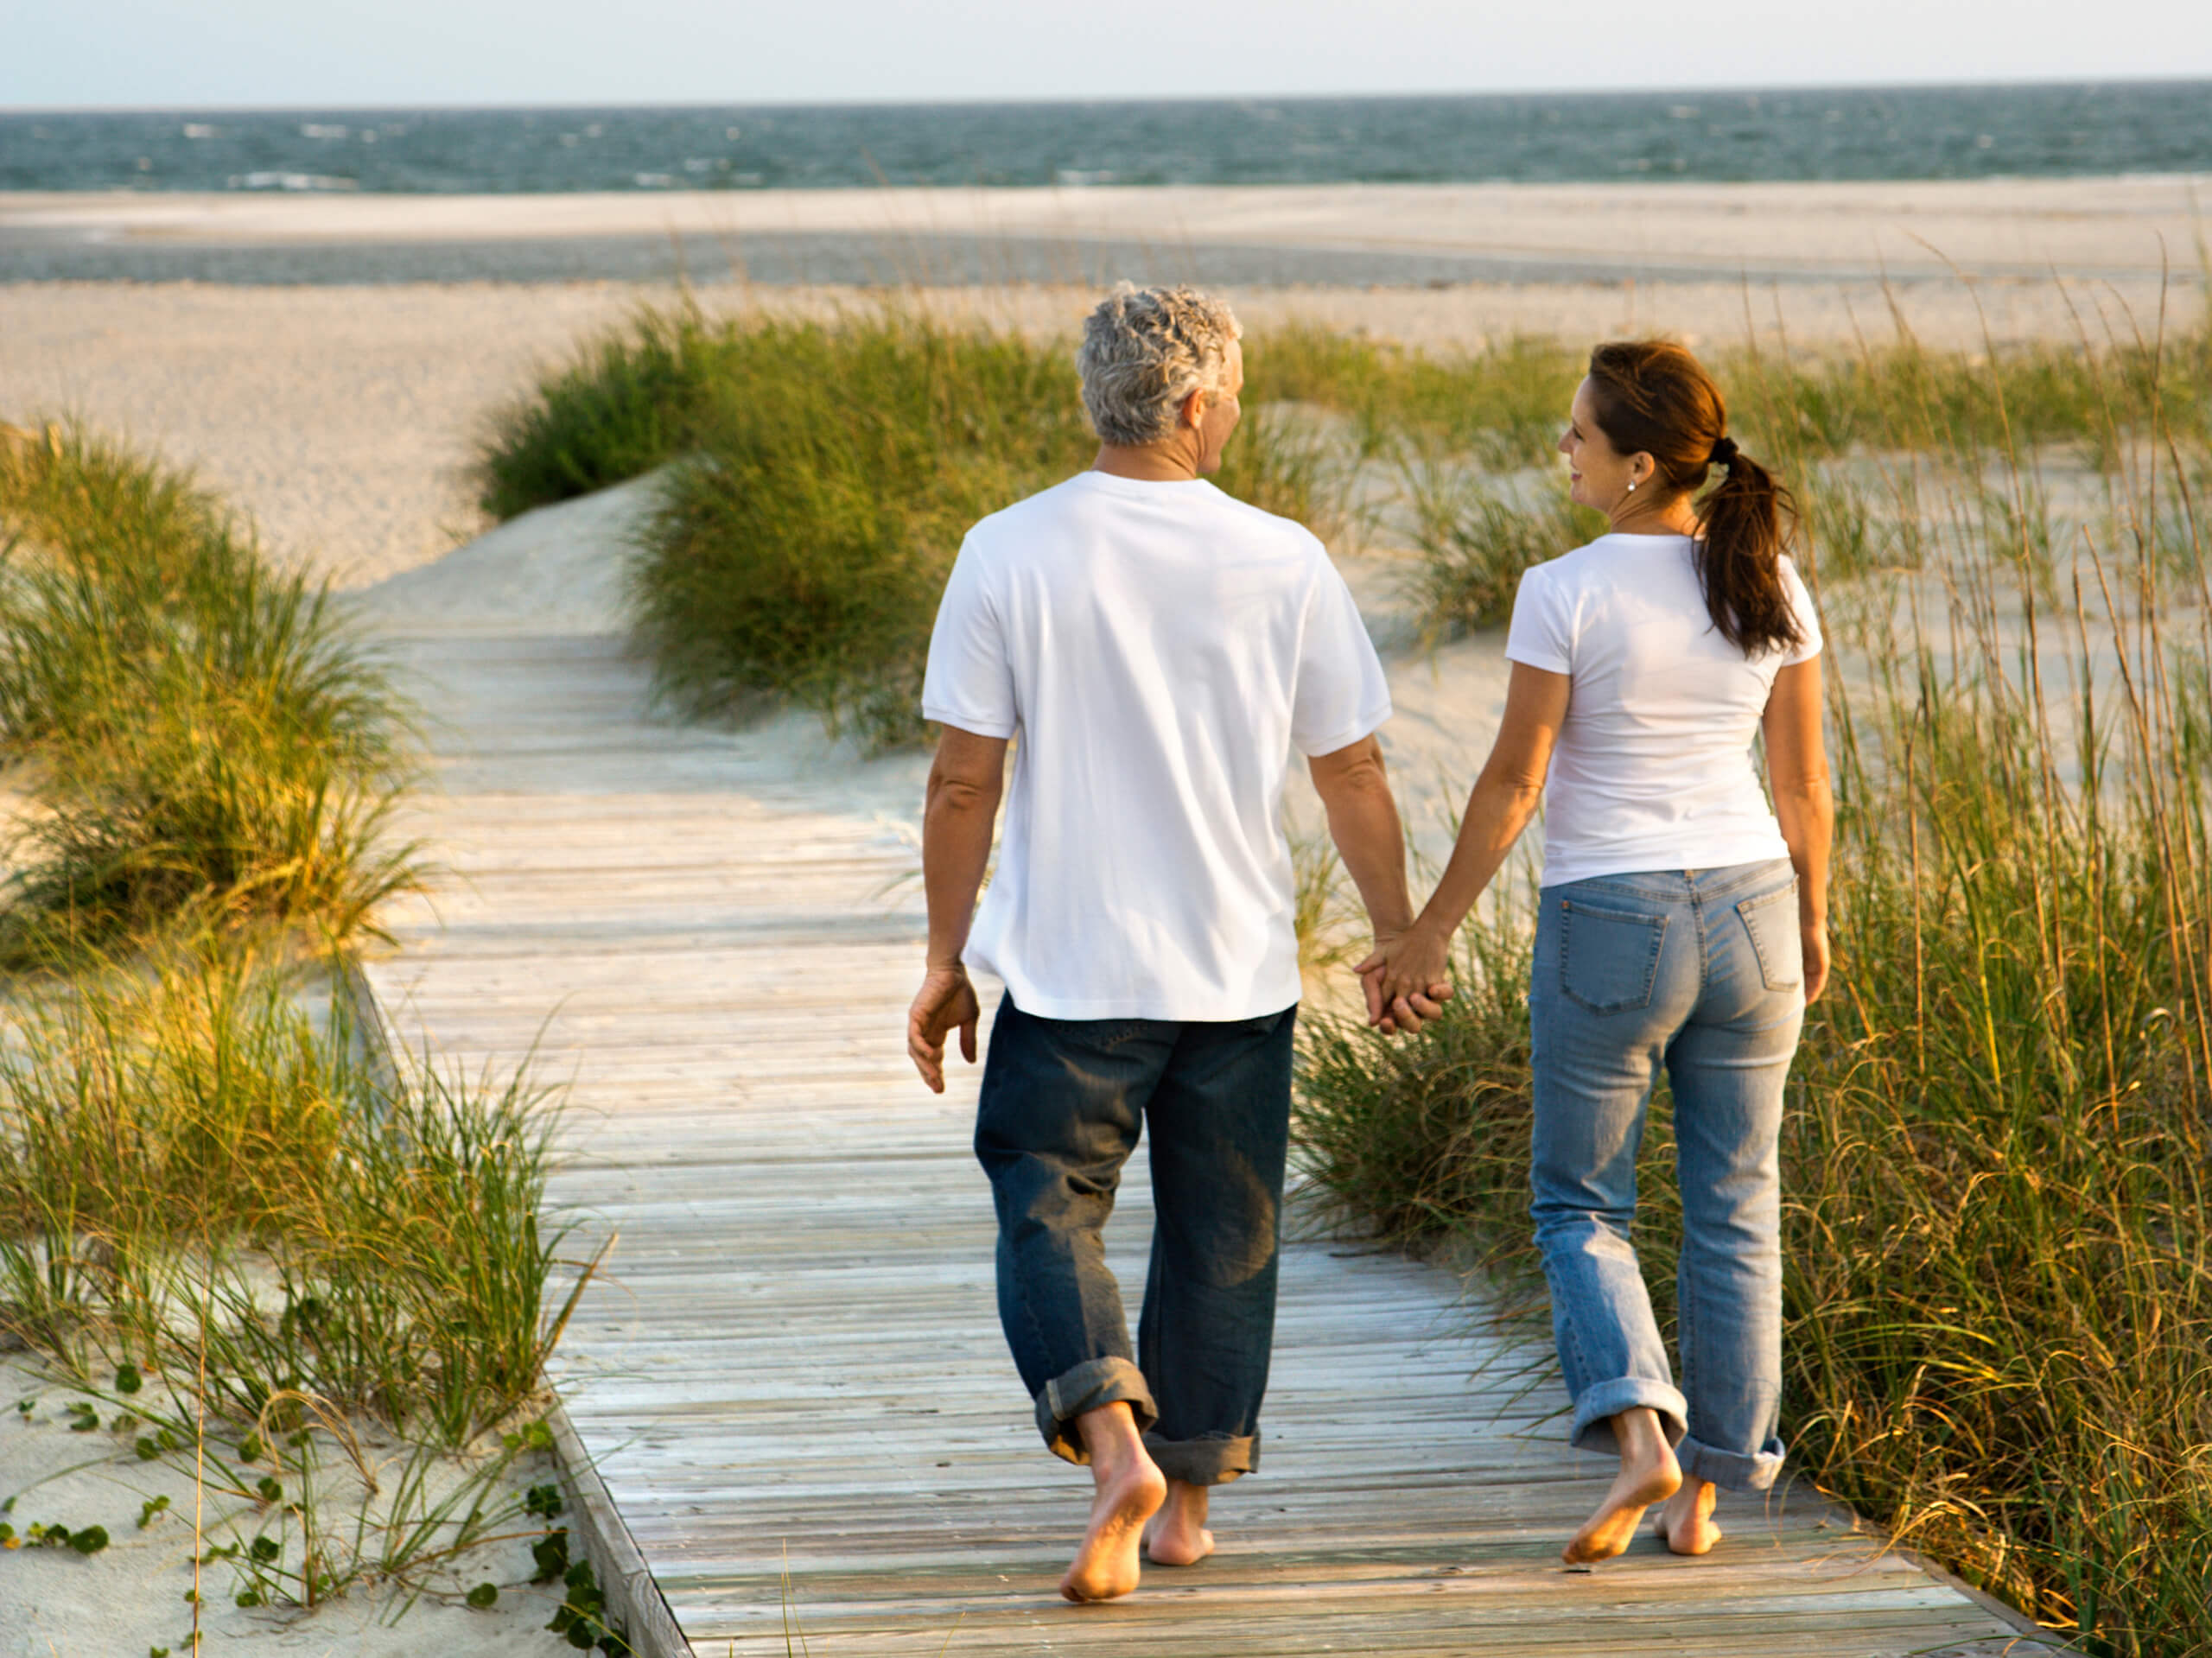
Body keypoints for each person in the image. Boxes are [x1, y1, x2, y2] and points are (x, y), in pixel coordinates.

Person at [906, 283, 1445, 1604]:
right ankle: (1189, 1504)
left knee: (1043, 1198)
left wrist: (942, 955)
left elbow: (962, 783)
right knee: (1224, 1230)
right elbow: (1355, 768)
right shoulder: (1283, 557)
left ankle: (1111, 1446)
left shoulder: (1009, 550)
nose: (1237, 418)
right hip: (1236, 970)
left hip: (1074, 970)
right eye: (1236, 399)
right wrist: (1397, 935)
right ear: (1196, 403)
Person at [1359, 339, 1834, 1565]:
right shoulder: (1767, 578)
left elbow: (1517, 780)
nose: (1561, 450)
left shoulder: (1563, 588)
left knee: (1581, 1203)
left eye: (1577, 434)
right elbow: (1804, 784)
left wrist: (1428, 931)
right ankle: (1710, 1498)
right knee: (1737, 1206)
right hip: (1753, 912)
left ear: (1635, 465)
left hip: (1609, 919)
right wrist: (1817, 918)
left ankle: (1639, 1434)